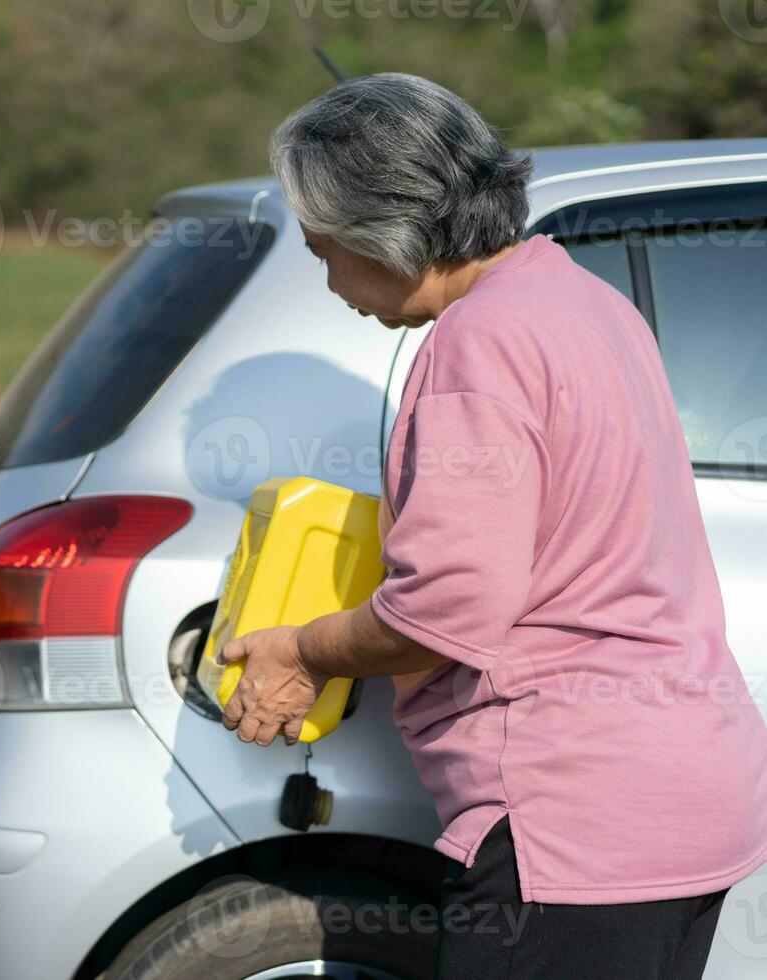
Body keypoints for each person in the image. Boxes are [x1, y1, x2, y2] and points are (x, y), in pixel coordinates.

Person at [220, 72, 767, 978]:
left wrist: (304, 652)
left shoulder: (479, 343)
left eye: (325, 251)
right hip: (684, 798)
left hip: (576, 825)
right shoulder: (585, 302)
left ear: (383, 230)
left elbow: (448, 609)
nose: (328, 282)